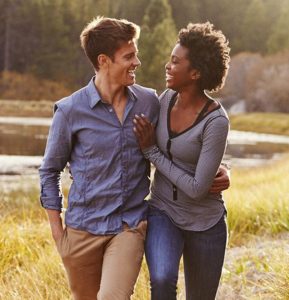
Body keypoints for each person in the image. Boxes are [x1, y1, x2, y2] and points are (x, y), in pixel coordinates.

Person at [39, 17, 229, 300]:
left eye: (135, 54)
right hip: (83, 228)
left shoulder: (149, 102)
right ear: (104, 61)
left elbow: (194, 142)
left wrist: (222, 167)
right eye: (129, 56)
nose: (137, 62)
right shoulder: (71, 111)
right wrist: (57, 232)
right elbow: (49, 170)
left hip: (128, 225)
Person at [133, 22, 231, 300]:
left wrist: (152, 152)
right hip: (163, 211)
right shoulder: (163, 101)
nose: (168, 66)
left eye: (176, 62)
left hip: (206, 222)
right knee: (162, 281)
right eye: (170, 59)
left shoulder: (216, 121)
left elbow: (199, 188)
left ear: (196, 73)